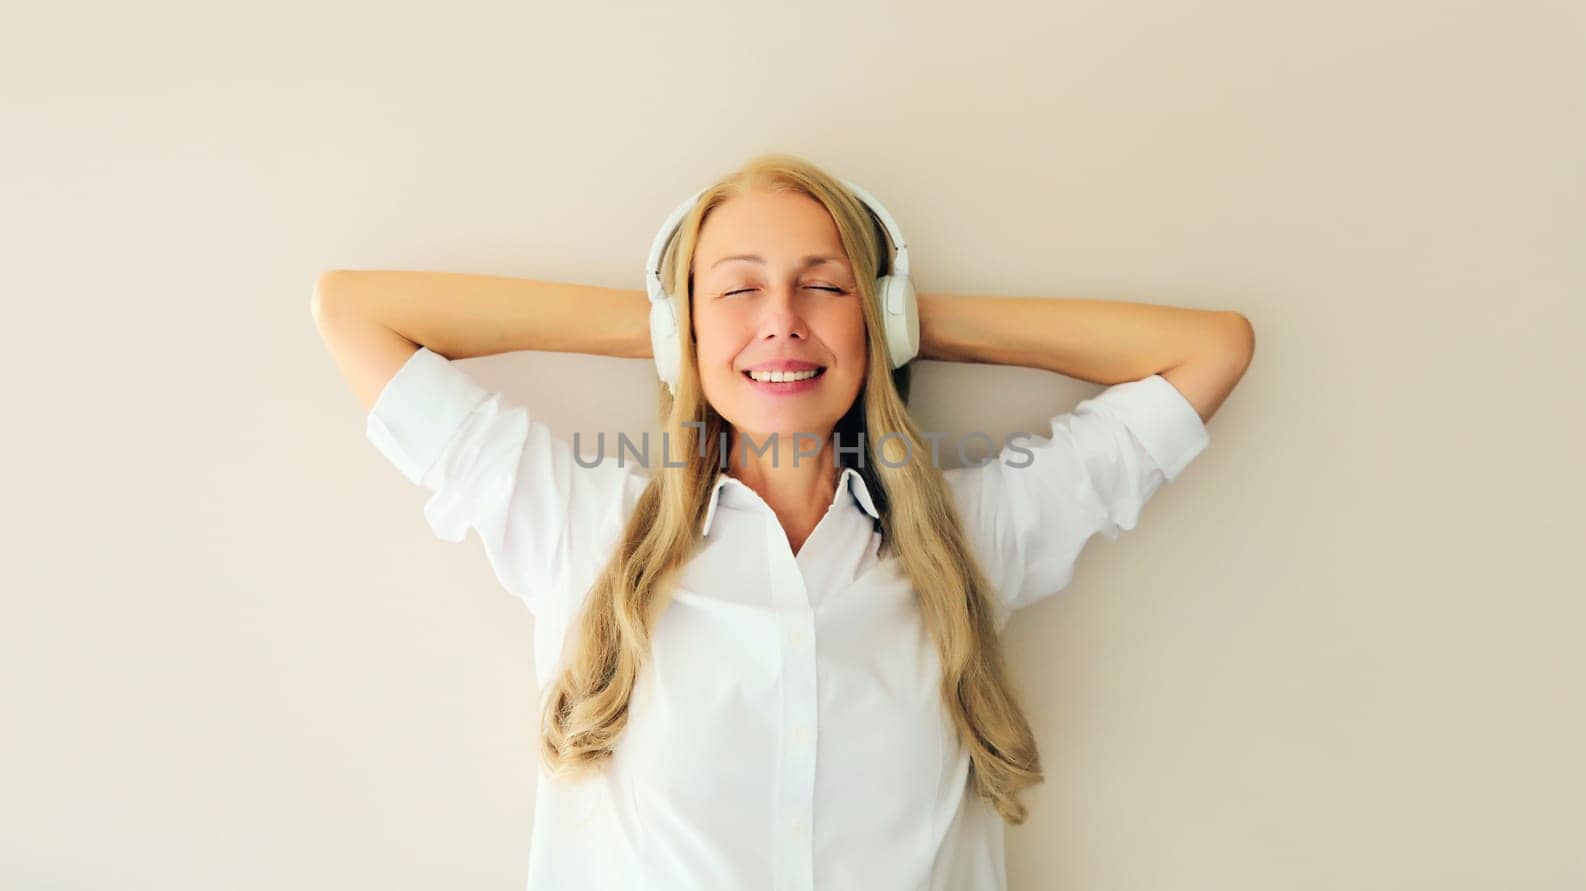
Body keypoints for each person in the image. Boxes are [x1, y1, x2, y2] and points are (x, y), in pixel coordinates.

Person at [311, 152, 1254, 890]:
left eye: (825, 285)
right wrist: (664, 327)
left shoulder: (971, 536)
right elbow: (354, 312)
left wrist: (904, 318)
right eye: (737, 289)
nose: (782, 322)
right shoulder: (585, 530)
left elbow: (1208, 351)